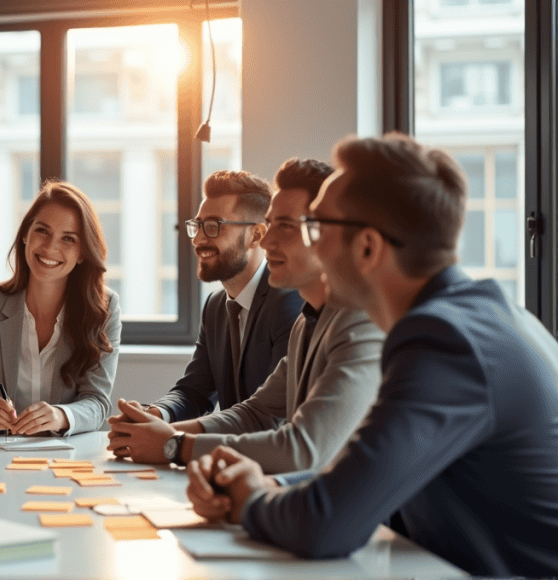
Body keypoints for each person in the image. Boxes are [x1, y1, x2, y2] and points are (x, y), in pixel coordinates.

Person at [187, 133, 558, 577]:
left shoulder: (443, 341)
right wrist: (264, 485)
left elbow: (327, 525)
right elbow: (366, 479)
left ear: (367, 247)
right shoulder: (477, 316)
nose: (311, 246)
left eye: (315, 227)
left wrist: (249, 498)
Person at [107, 159, 383, 472]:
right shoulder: (307, 322)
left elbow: (299, 446)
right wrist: (159, 429)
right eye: (270, 224)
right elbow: (254, 413)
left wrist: (174, 445)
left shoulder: (357, 322)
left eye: (286, 226)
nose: (267, 241)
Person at [108, 171, 303, 447]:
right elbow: (195, 392)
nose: (198, 239)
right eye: (196, 226)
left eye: (213, 226)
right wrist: (155, 414)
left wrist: (170, 441)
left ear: (256, 235)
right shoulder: (215, 307)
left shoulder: (288, 301)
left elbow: (269, 417)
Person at [0, 181, 120, 437]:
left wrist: (60, 415)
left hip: (65, 458)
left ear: (82, 253)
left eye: (68, 238)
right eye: (42, 231)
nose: (50, 247)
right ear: (26, 234)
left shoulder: (104, 309)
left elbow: (97, 402)